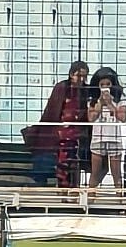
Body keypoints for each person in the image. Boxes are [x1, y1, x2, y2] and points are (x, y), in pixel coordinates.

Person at [25, 61, 88, 189]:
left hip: (76, 135)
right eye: (78, 75)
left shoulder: (85, 91)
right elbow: (52, 110)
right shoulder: (62, 88)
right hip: (60, 134)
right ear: (71, 74)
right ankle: (63, 189)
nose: (81, 79)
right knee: (62, 164)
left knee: (73, 164)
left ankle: (72, 189)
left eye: (84, 76)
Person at [86, 67, 126, 194]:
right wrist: (100, 103)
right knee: (95, 172)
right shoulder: (92, 99)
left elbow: (122, 117)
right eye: (102, 84)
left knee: (116, 174)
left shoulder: (120, 97)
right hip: (98, 138)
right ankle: (89, 198)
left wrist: (110, 104)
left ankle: (120, 199)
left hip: (114, 138)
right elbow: (91, 118)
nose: (105, 87)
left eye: (107, 84)